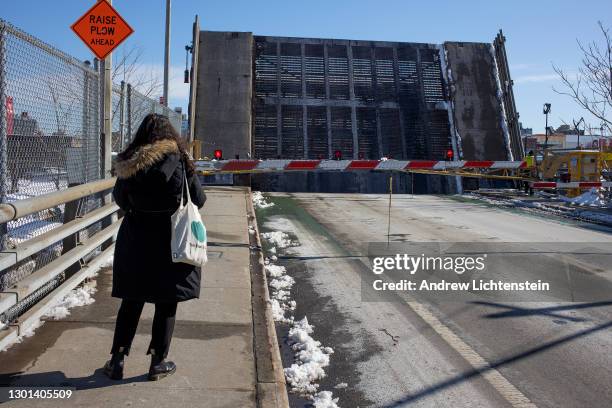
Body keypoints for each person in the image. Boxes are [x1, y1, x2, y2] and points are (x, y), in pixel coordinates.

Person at [103, 114, 206, 381]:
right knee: (166, 301)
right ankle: (158, 362)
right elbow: (199, 198)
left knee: (132, 300)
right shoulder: (180, 160)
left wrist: (138, 210)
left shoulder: (131, 162)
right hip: (172, 241)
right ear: (169, 134)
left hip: (136, 240)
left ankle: (117, 361)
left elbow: (119, 198)